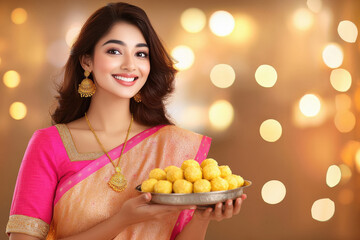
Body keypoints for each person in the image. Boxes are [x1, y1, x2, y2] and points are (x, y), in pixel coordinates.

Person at [6, 2, 247, 240]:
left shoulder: (171, 145)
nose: (130, 65)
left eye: (141, 54)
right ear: (86, 61)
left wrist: (202, 218)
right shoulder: (49, 144)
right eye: (114, 51)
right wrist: (121, 221)